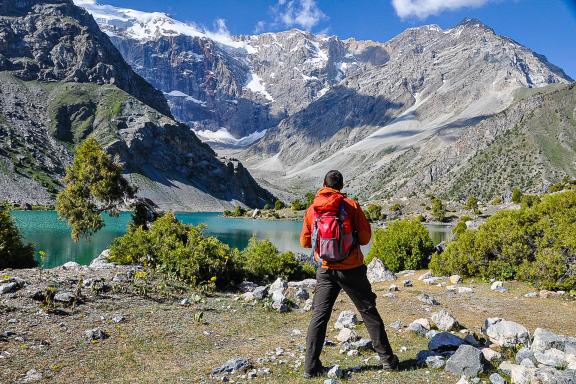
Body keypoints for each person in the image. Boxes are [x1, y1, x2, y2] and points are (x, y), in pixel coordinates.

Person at [300, 170, 398, 378]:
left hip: (325, 269)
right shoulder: (351, 205)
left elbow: (305, 242)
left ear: (323, 184)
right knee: (368, 311)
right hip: (351, 268)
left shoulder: (312, 209)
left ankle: (310, 367)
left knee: (319, 316)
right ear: (341, 186)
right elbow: (364, 238)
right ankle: (388, 360)